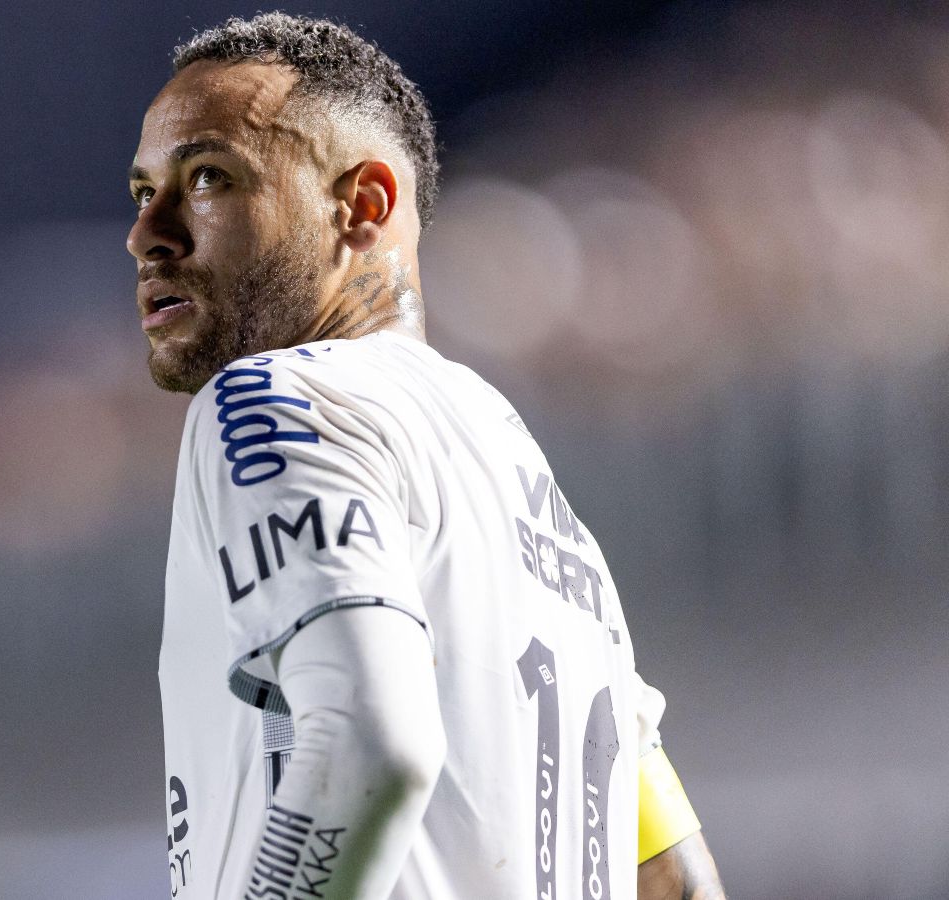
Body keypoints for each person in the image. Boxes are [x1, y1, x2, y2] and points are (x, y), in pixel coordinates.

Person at [132, 14, 726, 900]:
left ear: (365, 204)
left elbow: (370, 741)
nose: (148, 234)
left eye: (209, 177)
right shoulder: (547, 517)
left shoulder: (274, 400)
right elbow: (679, 879)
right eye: (143, 192)